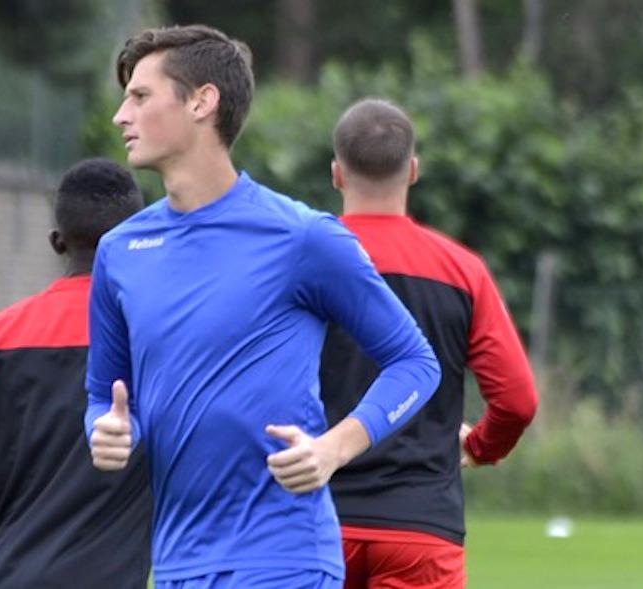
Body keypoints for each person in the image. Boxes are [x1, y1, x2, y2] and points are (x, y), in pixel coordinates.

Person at [85, 25, 442, 589]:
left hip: (285, 560)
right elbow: (103, 396)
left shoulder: (302, 238)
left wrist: (333, 449)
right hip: (176, 565)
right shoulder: (120, 252)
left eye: (140, 96)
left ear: (202, 101)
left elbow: (416, 364)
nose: (120, 116)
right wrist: (104, 430)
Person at [320, 98, 540, 588]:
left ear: (337, 173)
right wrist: (481, 447)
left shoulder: (301, 261)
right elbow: (518, 401)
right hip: (419, 526)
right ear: (413, 170)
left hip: (313, 520)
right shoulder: (462, 270)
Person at [0, 158, 151, 589]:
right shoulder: (155, 337)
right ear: (138, 238)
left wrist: (3, 492)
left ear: (57, 242)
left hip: (3, 575)